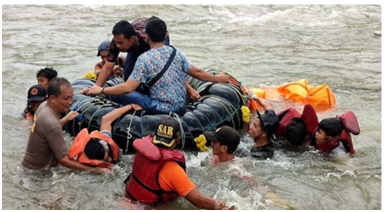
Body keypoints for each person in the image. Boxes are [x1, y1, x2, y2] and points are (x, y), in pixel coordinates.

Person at [85, 16, 229, 114]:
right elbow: (197, 72)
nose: (117, 45)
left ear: (144, 36)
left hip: (159, 106)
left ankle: (140, 103)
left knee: (122, 92)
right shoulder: (176, 53)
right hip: (179, 104)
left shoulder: (144, 58)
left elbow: (128, 88)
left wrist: (102, 91)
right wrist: (219, 79)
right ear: (164, 35)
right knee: (132, 79)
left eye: (121, 43)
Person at [124, 117, 233, 210]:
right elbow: (199, 201)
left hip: (126, 201)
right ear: (177, 140)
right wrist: (225, 206)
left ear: (153, 135)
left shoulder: (142, 151)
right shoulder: (172, 168)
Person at [22, 77, 106, 172]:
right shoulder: (51, 122)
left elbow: (48, 130)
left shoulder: (43, 106)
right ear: (53, 98)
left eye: (71, 97)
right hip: (38, 173)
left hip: (29, 167)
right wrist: (96, 170)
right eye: (66, 98)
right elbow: (64, 160)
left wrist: (65, 119)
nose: (70, 102)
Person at [68, 104, 142, 168]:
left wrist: (130, 106)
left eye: (107, 157)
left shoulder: (104, 142)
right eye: (105, 159)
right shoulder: (88, 163)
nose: (109, 159)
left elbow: (106, 119)